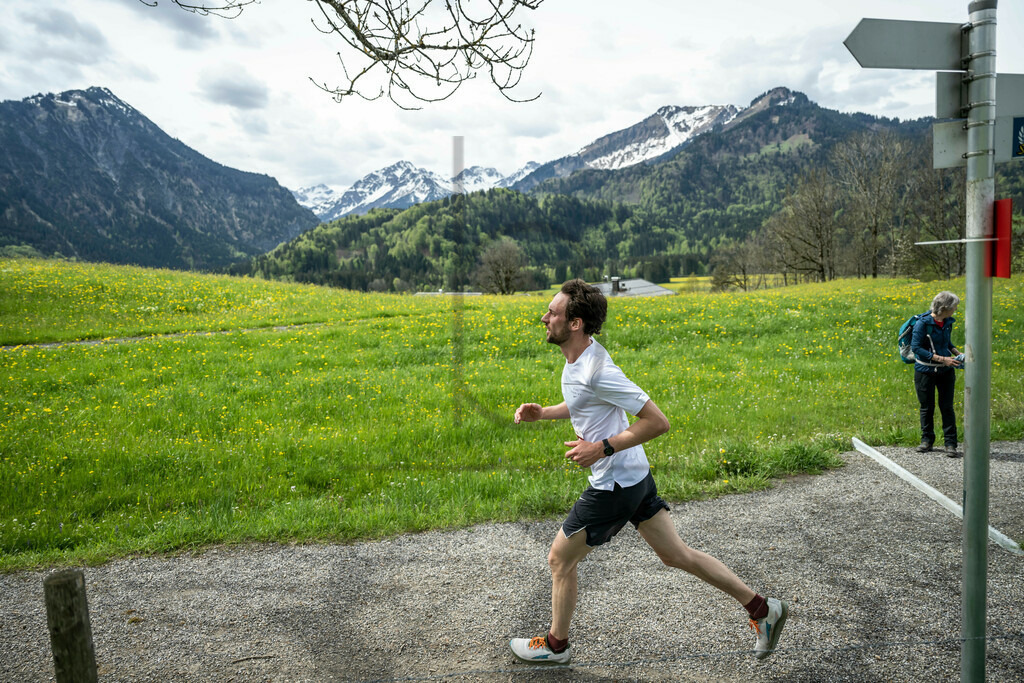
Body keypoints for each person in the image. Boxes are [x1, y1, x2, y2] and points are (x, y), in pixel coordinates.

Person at [508, 279, 787, 664]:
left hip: (615, 484)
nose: (544, 317)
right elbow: (583, 402)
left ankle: (557, 646)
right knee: (677, 555)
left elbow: (657, 422)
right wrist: (546, 412)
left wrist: (601, 447)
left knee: (560, 559)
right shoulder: (577, 358)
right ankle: (762, 609)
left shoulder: (598, 369)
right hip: (635, 477)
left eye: (552, 313)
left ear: (575, 323)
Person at [911, 291, 963, 456]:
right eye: (954, 307)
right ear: (945, 307)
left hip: (946, 371)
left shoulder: (947, 322)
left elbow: (947, 342)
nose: (956, 309)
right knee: (927, 407)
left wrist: (957, 353)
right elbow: (916, 348)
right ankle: (926, 441)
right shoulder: (922, 324)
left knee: (947, 407)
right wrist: (942, 359)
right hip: (925, 371)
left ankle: (950, 444)